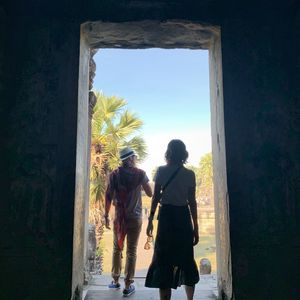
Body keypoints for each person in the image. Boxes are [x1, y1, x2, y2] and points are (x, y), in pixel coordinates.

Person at [145, 139, 199, 300]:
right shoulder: (190, 174)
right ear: (184, 154)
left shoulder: (161, 171)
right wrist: (196, 227)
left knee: (164, 260)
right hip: (183, 218)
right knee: (187, 258)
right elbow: (192, 202)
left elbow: (155, 198)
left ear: (168, 152)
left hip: (166, 219)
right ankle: (190, 299)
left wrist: (150, 220)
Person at [104, 147, 153, 297]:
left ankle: (115, 279)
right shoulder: (140, 174)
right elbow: (150, 193)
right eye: (135, 157)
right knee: (131, 250)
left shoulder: (114, 175)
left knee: (117, 248)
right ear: (131, 158)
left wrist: (106, 215)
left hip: (119, 218)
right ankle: (128, 284)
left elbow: (108, 195)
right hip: (135, 217)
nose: (136, 159)